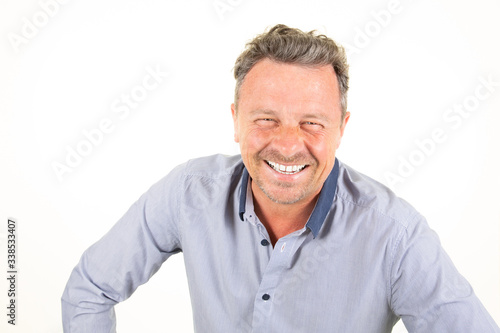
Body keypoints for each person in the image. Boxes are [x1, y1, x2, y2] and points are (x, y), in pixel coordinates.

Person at [61, 24, 500, 332]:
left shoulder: (396, 236)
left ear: (342, 128)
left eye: (312, 123)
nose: (288, 145)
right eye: (266, 119)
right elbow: (90, 288)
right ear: (235, 121)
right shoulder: (189, 193)